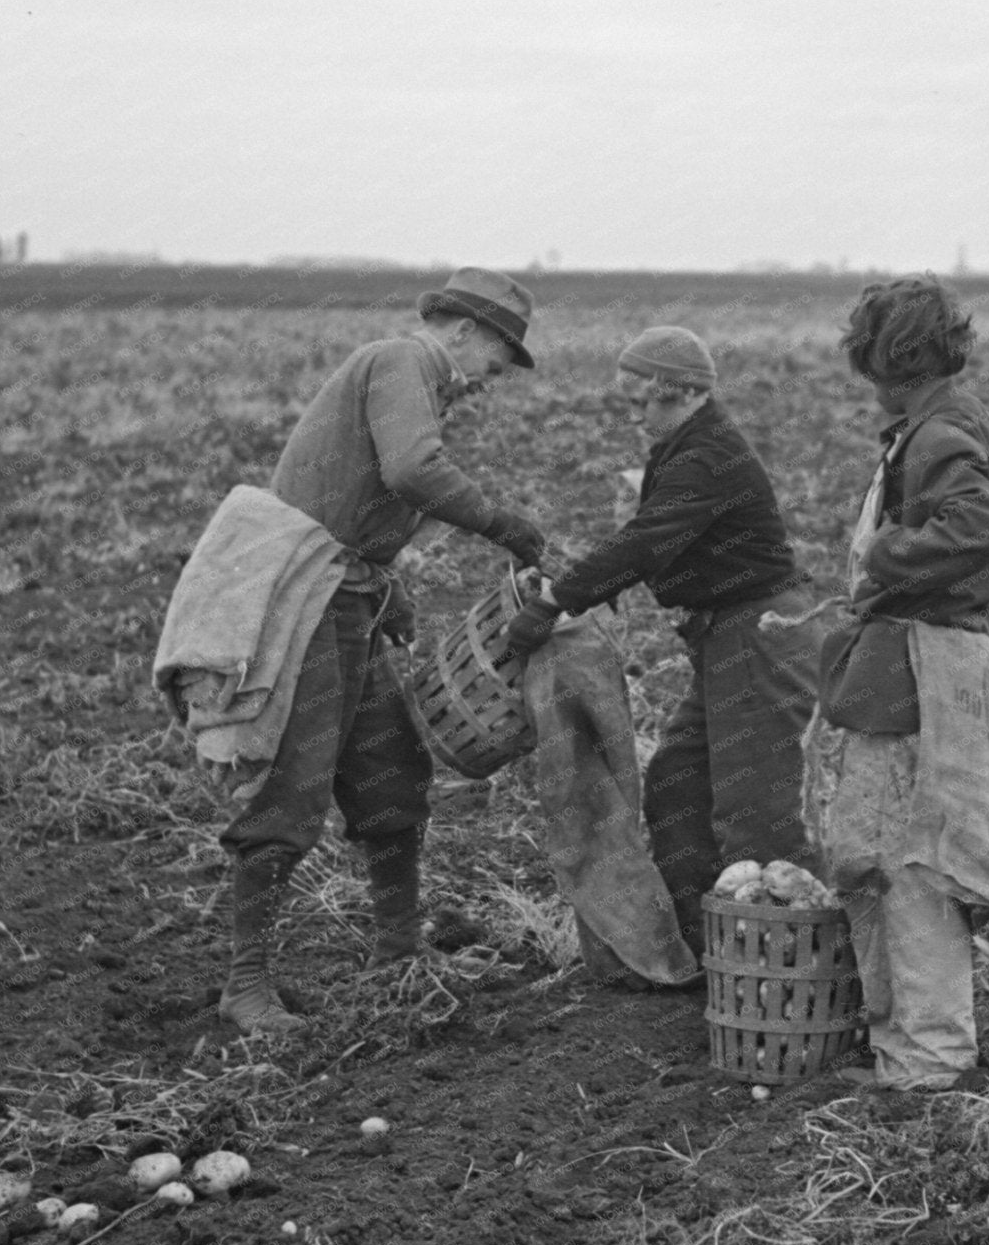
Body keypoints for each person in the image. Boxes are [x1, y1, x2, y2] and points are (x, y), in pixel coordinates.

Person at [216, 267, 548, 1033]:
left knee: (391, 767)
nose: (495, 377)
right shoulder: (404, 361)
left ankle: (398, 949)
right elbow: (410, 469)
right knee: (292, 785)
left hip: (348, 597)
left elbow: (358, 497)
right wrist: (506, 524)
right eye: (502, 356)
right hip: (307, 606)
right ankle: (245, 983)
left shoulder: (418, 378)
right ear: (467, 330)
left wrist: (384, 582)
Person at [500, 327, 821, 958]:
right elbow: (652, 541)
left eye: (639, 401)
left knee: (755, 815)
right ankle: (706, 951)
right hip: (726, 638)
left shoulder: (707, 454)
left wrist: (557, 600)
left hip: (758, 638)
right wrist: (594, 579)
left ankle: (786, 975)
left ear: (675, 389)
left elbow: (649, 538)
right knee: (678, 782)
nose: (632, 414)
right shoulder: (683, 446)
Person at [806, 274, 989, 1091]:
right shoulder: (940, 423)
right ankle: (903, 1047)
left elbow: (981, 528)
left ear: (883, 355)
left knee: (911, 868)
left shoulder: (939, 432)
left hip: (922, 667)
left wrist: (885, 557)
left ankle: (927, 1062)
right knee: (887, 858)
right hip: (918, 657)